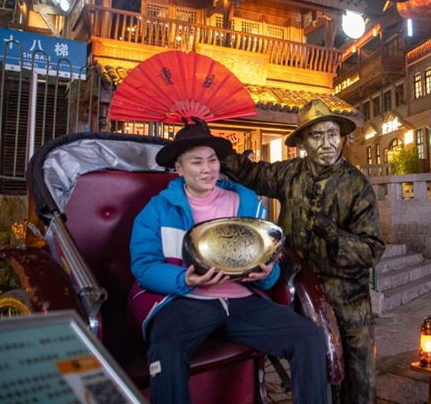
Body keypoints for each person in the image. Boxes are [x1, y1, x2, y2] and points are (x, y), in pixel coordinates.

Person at [127, 117, 329, 404]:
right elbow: (144, 266)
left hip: (243, 302)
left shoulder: (245, 203)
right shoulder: (158, 208)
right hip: (185, 301)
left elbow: (268, 257)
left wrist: (267, 273)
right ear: (179, 168)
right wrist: (184, 279)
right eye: (196, 162)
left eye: (212, 160)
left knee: (308, 338)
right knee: (167, 348)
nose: (207, 169)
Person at [222, 99, 386, 404]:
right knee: (311, 368)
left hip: (347, 297)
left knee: (359, 377)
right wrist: (217, 151)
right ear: (302, 143)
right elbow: (252, 174)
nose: (327, 143)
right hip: (297, 290)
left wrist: (335, 236)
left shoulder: (357, 187)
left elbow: (372, 250)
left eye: (333, 134)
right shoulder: (290, 173)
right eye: (316, 136)